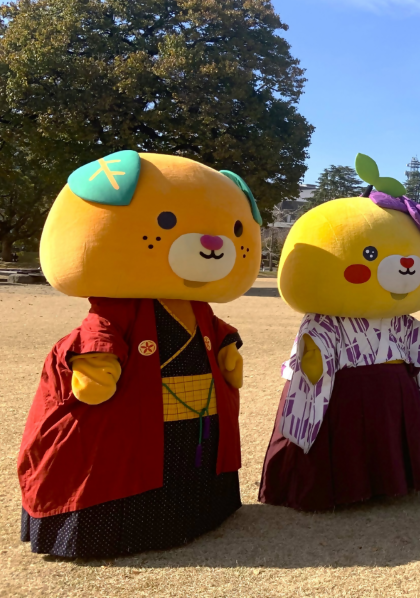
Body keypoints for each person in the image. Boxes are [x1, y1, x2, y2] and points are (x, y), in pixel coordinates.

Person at [19, 151, 261, 558]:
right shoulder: (118, 307)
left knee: (187, 458)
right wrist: (97, 360)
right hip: (135, 403)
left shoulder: (198, 308)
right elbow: (99, 331)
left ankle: (198, 514)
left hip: (198, 407)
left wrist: (226, 351)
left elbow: (217, 332)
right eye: (166, 221)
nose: (213, 244)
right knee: (131, 461)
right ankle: (125, 530)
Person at [259, 154, 420, 510]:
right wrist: (313, 359)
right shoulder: (329, 319)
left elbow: (416, 338)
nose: (408, 266)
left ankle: (388, 482)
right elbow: (317, 340)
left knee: (383, 439)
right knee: (345, 440)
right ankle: (340, 488)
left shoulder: (398, 317)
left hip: (393, 387)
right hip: (342, 387)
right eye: (370, 254)